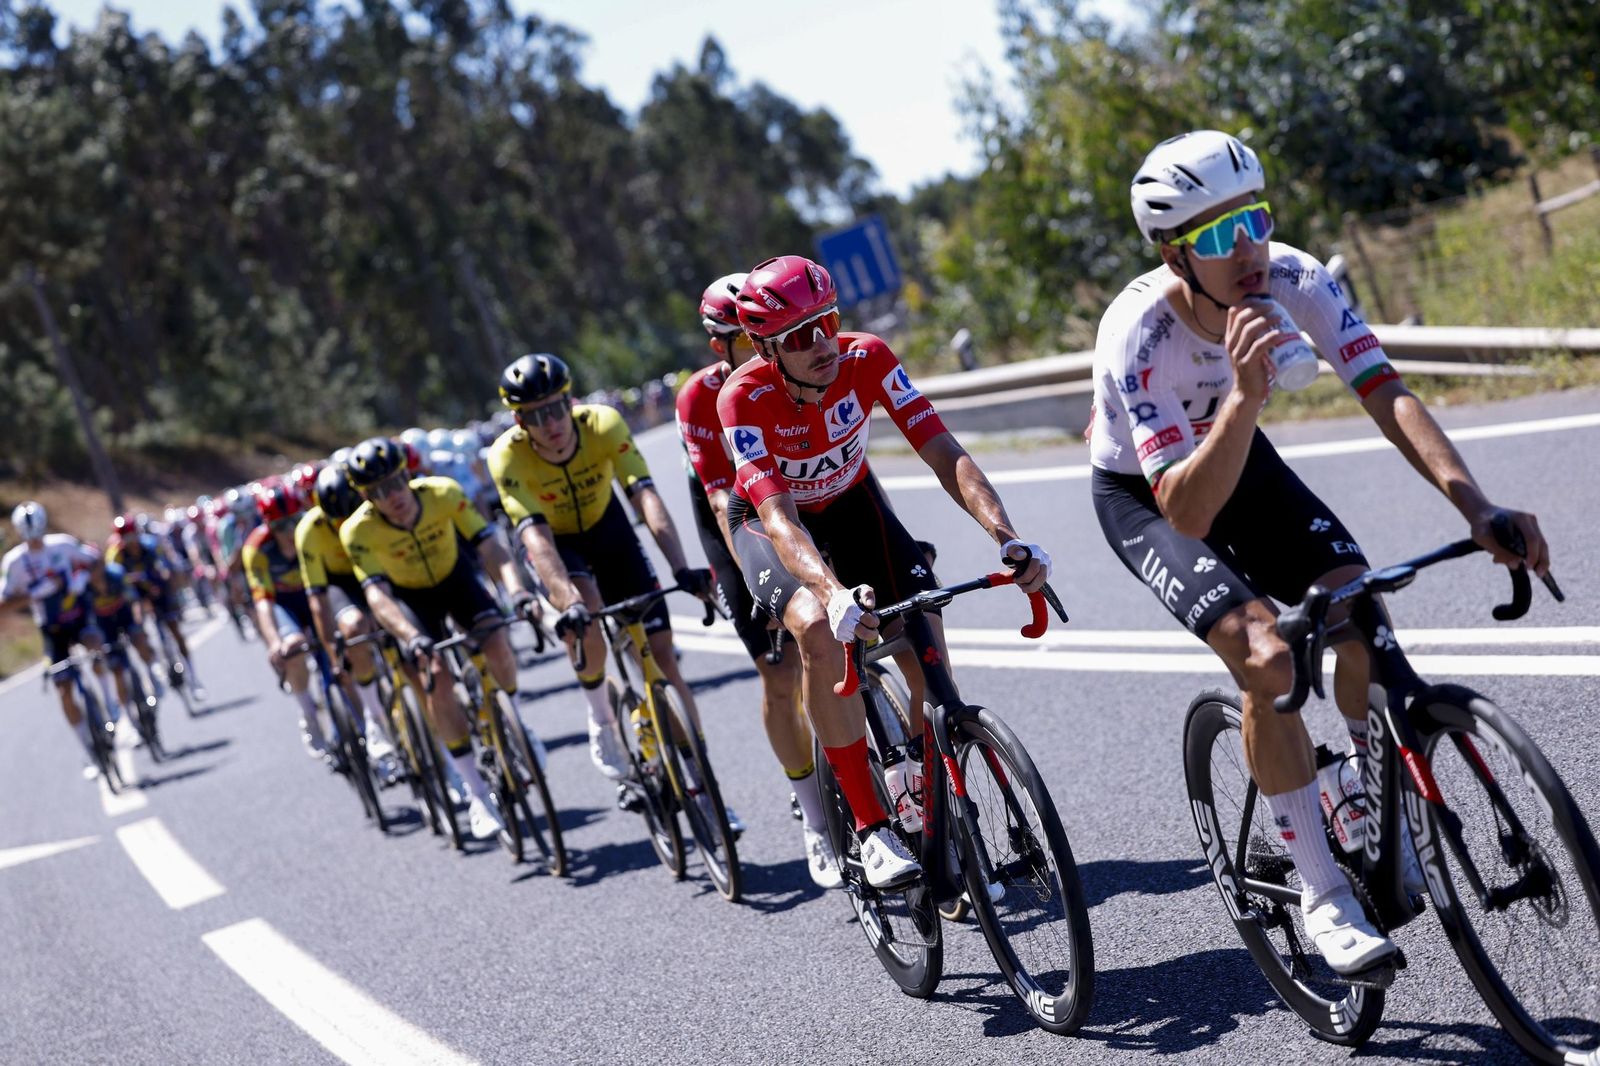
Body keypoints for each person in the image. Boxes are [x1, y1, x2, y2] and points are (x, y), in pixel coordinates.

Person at [1091, 129, 1550, 974]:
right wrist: (1242, 396)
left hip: (1243, 459)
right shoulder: (1141, 336)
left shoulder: (1295, 277)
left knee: (1357, 606)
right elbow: (1186, 513)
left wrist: (1479, 505)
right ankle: (1323, 893)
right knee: (1267, 659)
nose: (1249, 251)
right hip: (1152, 494)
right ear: (1173, 254)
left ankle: (1360, 794)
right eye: (1219, 238)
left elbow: (1386, 393)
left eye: (1256, 220)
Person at [717, 255, 1053, 890]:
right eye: (797, 337)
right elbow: (781, 517)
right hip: (770, 523)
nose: (821, 345)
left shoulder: (868, 356)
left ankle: (932, 798)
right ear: (765, 349)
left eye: (828, 323)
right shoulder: (744, 399)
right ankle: (870, 830)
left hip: (851, 502)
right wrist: (830, 589)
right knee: (817, 628)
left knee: (926, 628)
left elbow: (944, 452)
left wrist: (1009, 538)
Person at [487, 353, 725, 829]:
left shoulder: (603, 424)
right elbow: (534, 538)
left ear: (570, 402)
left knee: (662, 657)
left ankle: (703, 785)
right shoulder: (507, 455)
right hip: (559, 547)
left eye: (555, 408)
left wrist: (681, 567)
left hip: (608, 530)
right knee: (586, 608)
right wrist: (568, 603)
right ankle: (601, 717)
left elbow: (645, 498)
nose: (550, 423)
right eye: (535, 416)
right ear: (519, 421)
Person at [677, 272, 832, 885]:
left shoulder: (798, 365)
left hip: (804, 498)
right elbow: (723, 500)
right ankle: (816, 817)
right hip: (739, 517)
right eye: (743, 339)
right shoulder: (702, 398)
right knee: (778, 667)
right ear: (724, 346)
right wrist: (759, 582)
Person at [339, 436, 541, 841]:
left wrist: (516, 590)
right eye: (377, 492)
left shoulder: (443, 493)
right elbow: (377, 594)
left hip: (456, 580)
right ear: (366, 497)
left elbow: (490, 547)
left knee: (496, 637)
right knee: (434, 673)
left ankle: (517, 722)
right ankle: (477, 792)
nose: (391, 495)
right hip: (412, 600)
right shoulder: (357, 530)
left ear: (408, 475)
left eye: (395, 483)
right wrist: (410, 636)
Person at [296, 461, 399, 780]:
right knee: (354, 628)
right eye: (334, 520)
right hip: (341, 584)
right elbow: (317, 600)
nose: (342, 526)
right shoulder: (309, 532)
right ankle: (372, 714)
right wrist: (332, 653)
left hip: (381, 567)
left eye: (348, 516)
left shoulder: (374, 512)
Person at [1, 502, 113, 774]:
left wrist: (87, 579)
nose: (34, 539)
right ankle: (89, 750)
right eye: (28, 534)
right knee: (63, 691)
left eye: (38, 532)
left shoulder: (62, 544)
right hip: (51, 629)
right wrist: (33, 594)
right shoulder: (13, 563)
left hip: (77, 617)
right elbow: (4, 604)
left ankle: (112, 709)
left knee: (95, 647)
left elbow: (95, 561)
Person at [243, 478, 327, 757]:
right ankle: (309, 714)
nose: (290, 531)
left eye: (294, 521)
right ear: (268, 526)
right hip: (284, 603)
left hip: (317, 592)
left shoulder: (315, 530)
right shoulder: (257, 548)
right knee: (292, 648)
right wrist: (273, 641)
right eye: (280, 526)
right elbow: (263, 602)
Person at [107, 512, 206, 698]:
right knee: (138, 628)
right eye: (125, 539)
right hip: (134, 595)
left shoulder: (151, 545)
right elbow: (115, 582)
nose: (131, 543)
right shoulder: (115, 555)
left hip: (157, 589)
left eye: (132, 537)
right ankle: (154, 666)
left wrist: (168, 585)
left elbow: (165, 570)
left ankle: (194, 678)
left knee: (175, 629)